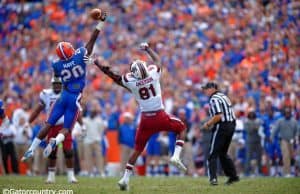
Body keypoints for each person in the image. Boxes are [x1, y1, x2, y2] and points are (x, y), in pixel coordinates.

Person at [94, 42, 187, 190]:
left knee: (137, 150)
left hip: (145, 120)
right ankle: (176, 155)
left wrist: (98, 64)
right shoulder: (153, 73)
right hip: (160, 115)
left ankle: (124, 179)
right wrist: (148, 49)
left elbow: (113, 75)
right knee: (182, 128)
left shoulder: (131, 82)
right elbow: (158, 61)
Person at [21, 10, 107, 162]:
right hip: (75, 98)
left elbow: (57, 78)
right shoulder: (80, 54)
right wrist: (101, 22)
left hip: (63, 96)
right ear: (71, 50)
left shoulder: (57, 65)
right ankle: (55, 141)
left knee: (49, 123)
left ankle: (31, 149)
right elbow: (93, 39)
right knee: (66, 128)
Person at [27, 77, 78, 183]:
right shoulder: (46, 94)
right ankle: (51, 176)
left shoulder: (67, 94)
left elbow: (75, 110)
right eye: (55, 83)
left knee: (68, 151)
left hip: (65, 126)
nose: (57, 85)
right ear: (52, 84)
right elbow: (37, 110)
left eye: (59, 83)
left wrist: (81, 124)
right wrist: (28, 122)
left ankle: (71, 176)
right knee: (52, 152)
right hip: (51, 126)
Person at [201, 82, 239, 185]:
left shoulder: (214, 98)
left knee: (212, 154)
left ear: (213, 88)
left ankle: (213, 178)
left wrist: (208, 124)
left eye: (207, 89)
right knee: (223, 154)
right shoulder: (223, 96)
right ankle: (233, 176)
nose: (205, 91)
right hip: (231, 125)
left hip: (222, 126)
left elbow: (218, 116)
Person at [271, 106, 299, 177]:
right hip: (283, 140)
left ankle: (294, 171)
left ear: (290, 113)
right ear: (284, 113)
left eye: (288, 112)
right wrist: (272, 137)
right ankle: (287, 172)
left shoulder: (294, 121)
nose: (287, 114)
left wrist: (296, 137)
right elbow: (275, 129)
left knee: (291, 156)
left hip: (292, 140)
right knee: (286, 155)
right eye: (286, 113)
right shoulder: (280, 121)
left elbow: (298, 130)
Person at [0, 100, 19, 174]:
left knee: (10, 157)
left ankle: (11, 172)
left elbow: (5, 120)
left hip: (8, 142)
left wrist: (1, 131)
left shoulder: (10, 125)